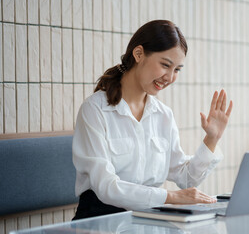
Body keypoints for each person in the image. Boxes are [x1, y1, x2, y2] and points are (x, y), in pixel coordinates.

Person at [72, 20, 233, 220]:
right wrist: (171, 197)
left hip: (146, 220)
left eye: (177, 69)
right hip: (100, 221)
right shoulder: (95, 110)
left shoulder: (163, 115)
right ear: (138, 54)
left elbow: (186, 178)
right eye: (165, 65)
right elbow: (107, 187)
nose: (170, 77)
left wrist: (212, 139)